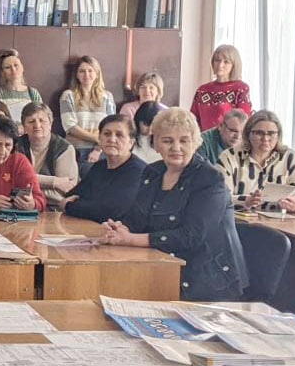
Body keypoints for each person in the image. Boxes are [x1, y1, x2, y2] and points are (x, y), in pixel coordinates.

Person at [99, 109, 249, 301]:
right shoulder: (152, 172)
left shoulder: (211, 179)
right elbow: (136, 217)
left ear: (195, 142)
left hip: (207, 281)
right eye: (167, 140)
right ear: (156, 144)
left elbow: (191, 236)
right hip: (161, 267)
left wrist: (129, 239)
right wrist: (120, 229)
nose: (175, 147)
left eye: (184, 141)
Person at [217, 110, 295, 213]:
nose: (265, 138)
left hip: (281, 220)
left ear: (278, 135)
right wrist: (245, 201)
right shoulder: (229, 157)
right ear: (248, 134)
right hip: (238, 219)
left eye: (271, 133)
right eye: (259, 133)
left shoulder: (291, 159)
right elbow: (219, 197)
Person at [63, 114, 147, 221]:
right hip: (92, 227)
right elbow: (72, 195)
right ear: (99, 138)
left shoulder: (139, 171)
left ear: (131, 142)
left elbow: (110, 211)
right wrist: (91, 205)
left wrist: (70, 206)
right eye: (107, 134)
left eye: (119, 135)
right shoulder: (99, 166)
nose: (112, 139)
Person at [15, 102, 78, 210]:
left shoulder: (64, 149)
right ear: (24, 126)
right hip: (20, 206)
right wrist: (53, 182)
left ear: (50, 123)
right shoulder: (15, 146)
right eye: (31, 121)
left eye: (42, 120)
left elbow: (65, 190)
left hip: (54, 209)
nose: (37, 125)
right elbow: (13, 179)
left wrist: (29, 189)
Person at [59, 55, 116, 164]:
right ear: (77, 75)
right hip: (76, 149)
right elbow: (70, 127)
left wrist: (98, 148)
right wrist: (96, 138)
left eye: (90, 71)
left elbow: (111, 126)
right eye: (82, 71)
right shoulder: (68, 95)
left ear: (97, 73)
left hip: (101, 149)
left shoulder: (107, 96)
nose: (86, 75)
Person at [190, 44, 253, 131]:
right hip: (204, 138)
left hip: (229, 139)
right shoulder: (202, 90)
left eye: (226, 62)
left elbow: (243, 122)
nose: (220, 65)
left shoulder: (241, 88)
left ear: (234, 65)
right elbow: (192, 120)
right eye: (217, 60)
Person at [0, 49, 43, 122]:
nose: (13, 69)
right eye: (7, 67)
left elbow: (41, 119)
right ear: (2, 73)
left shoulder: (33, 93)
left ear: (22, 67)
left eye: (16, 65)